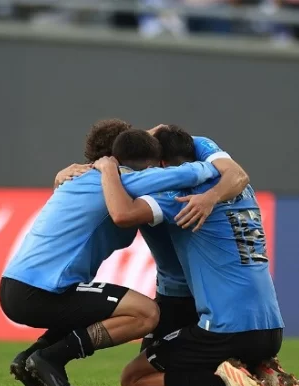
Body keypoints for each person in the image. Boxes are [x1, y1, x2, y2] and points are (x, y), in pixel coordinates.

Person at [0, 121, 222, 386]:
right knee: (145, 314)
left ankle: (30, 358)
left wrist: (144, 139)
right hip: (41, 291)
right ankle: (50, 358)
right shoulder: (124, 180)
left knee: (95, 308)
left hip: (17, 287)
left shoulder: (77, 179)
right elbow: (189, 174)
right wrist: (216, 161)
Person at [93, 126, 299, 386]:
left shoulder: (180, 196)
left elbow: (122, 214)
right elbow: (225, 165)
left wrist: (107, 169)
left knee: (133, 379)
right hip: (272, 329)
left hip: (226, 329)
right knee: (178, 358)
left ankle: (235, 382)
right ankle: (257, 365)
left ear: (163, 165)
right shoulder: (238, 187)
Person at [54, 125, 250, 354]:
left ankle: (240, 368)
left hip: (199, 291)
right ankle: (245, 364)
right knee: (143, 371)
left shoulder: (163, 178)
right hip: (175, 292)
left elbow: (238, 175)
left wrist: (210, 198)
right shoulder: (140, 178)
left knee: (138, 377)